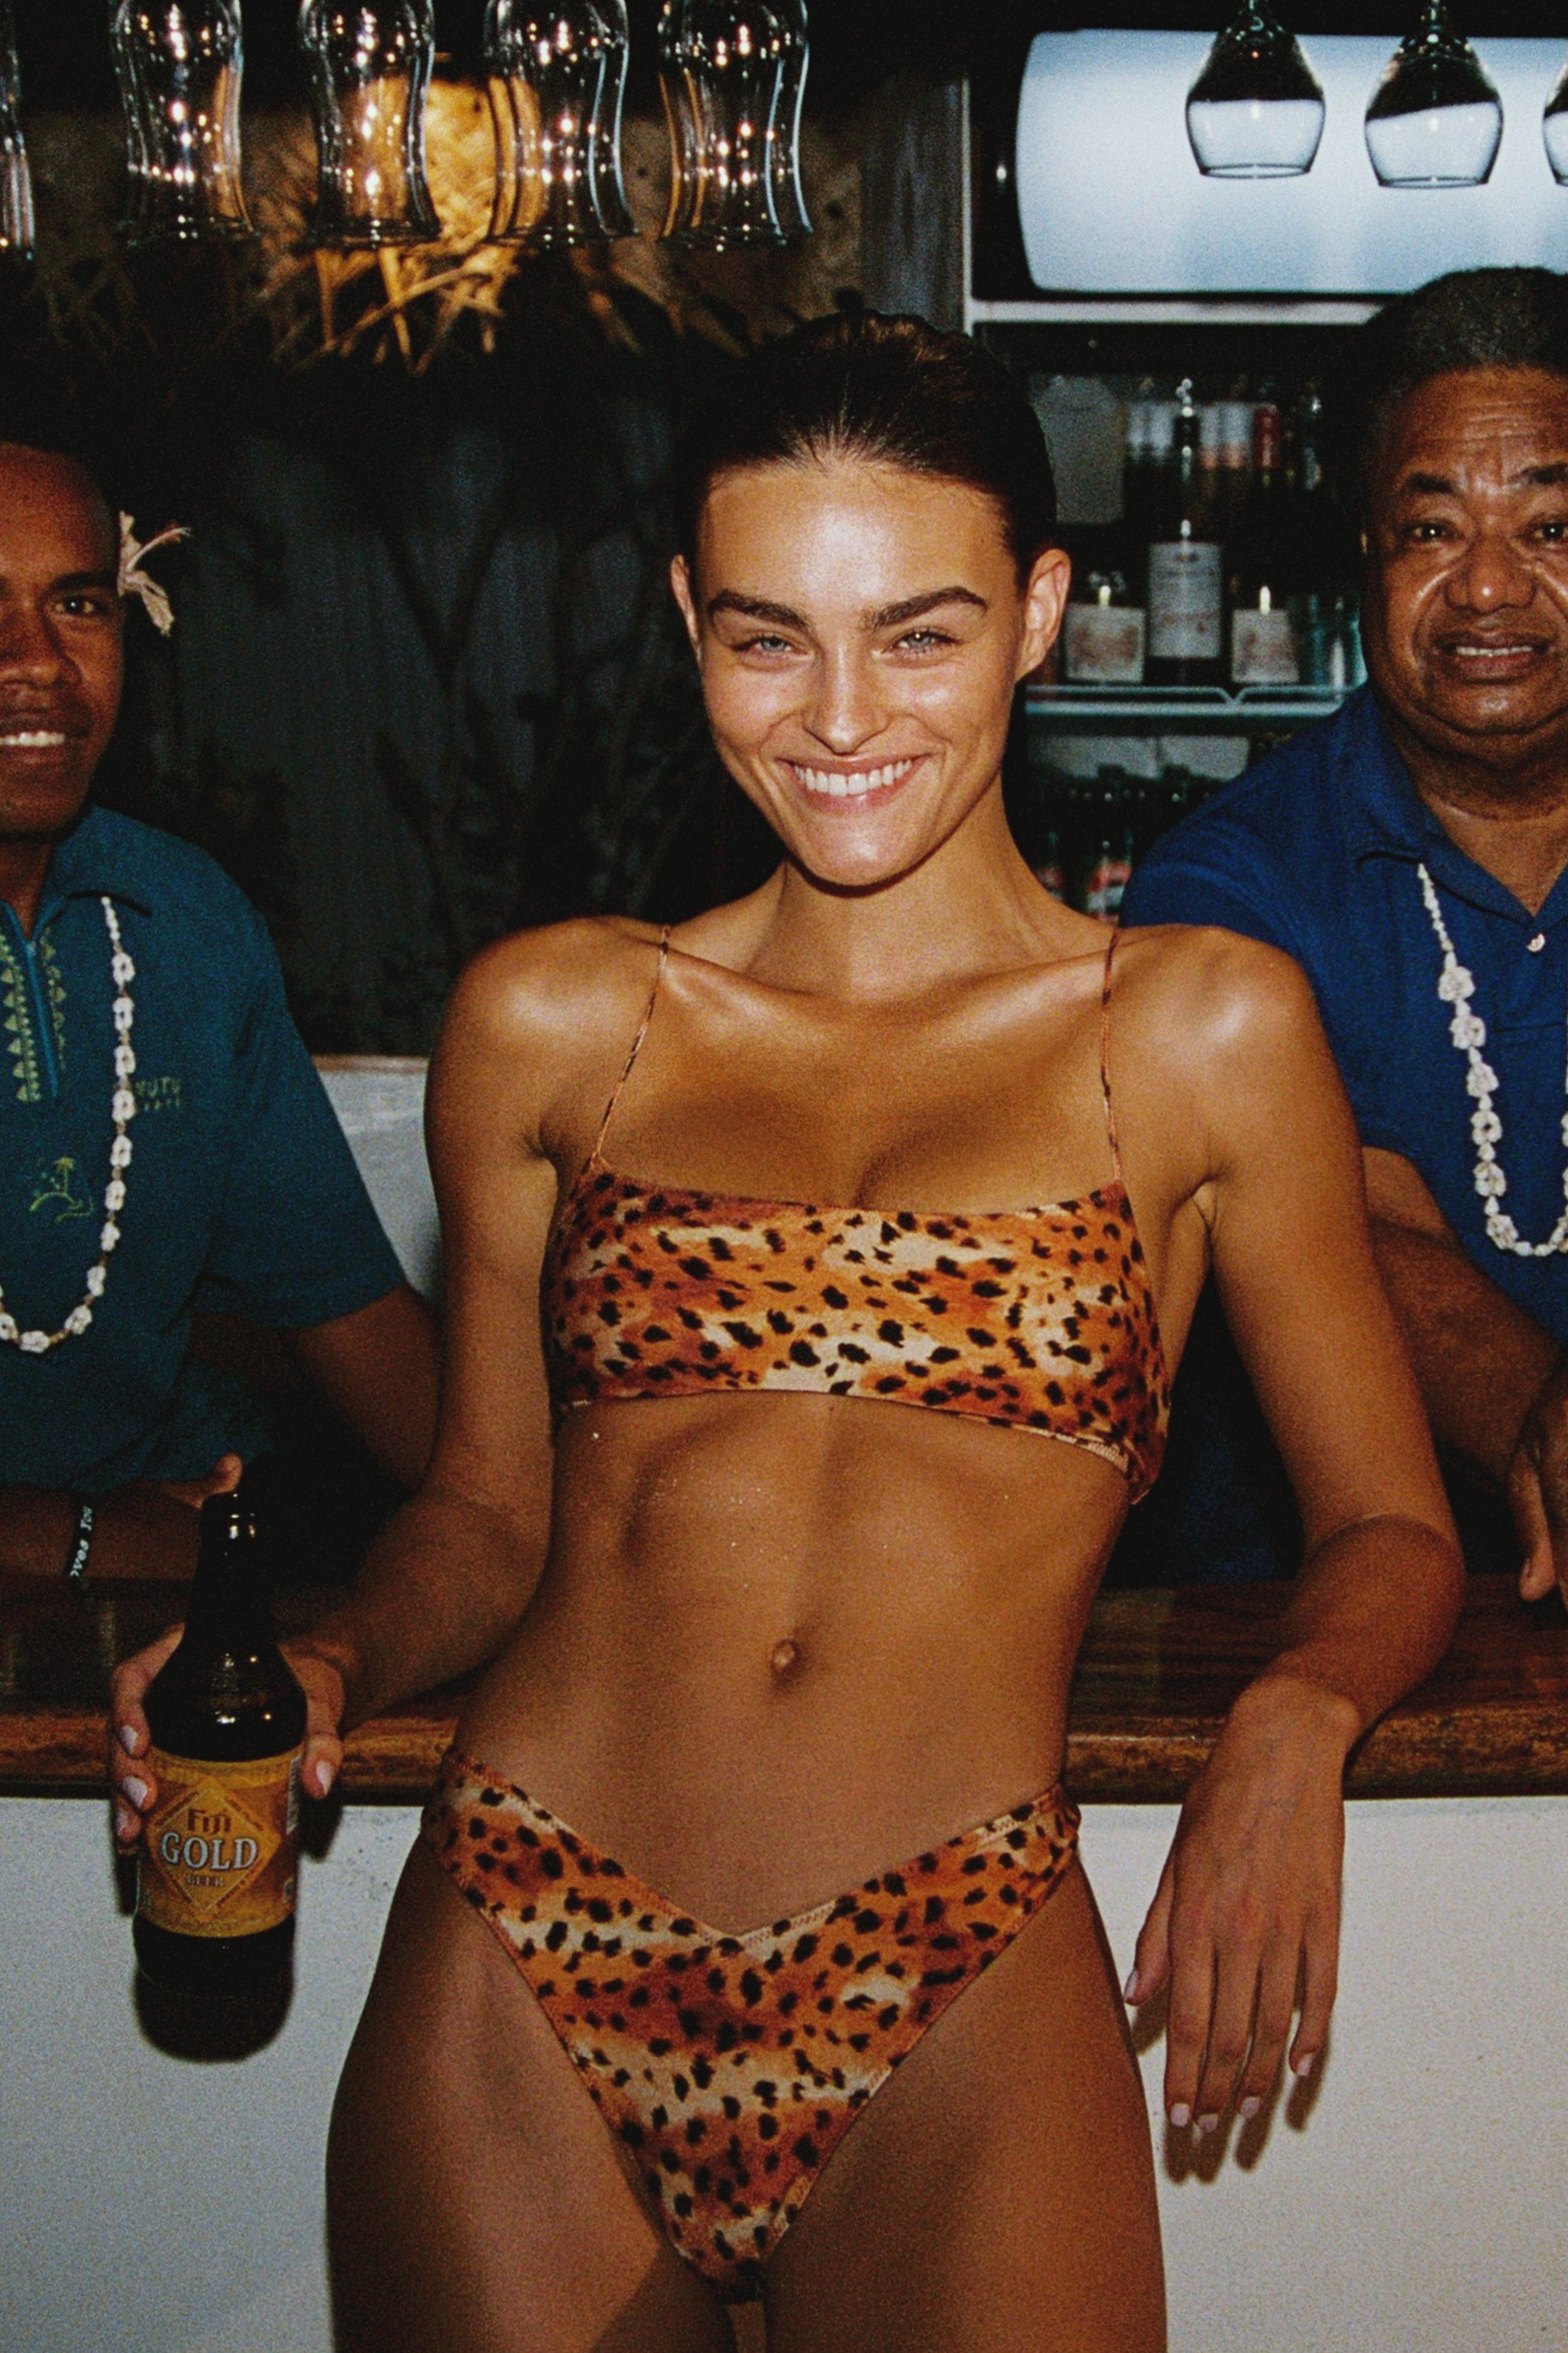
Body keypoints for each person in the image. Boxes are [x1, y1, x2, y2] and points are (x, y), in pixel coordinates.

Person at [112, 314, 1462, 2352]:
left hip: (958, 1956)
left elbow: (1393, 1526)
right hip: (523, 1936)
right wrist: (325, 1657)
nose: (841, 716)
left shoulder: (1194, 1033)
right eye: (768, 638)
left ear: (1041, 611)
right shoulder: (558, 1018)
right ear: (686, 616)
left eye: (916, 634)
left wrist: (1295, 1720)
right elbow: (488, 1514)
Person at [1124, 267, 1568, 1614]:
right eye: (1432, 529)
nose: (1488, 589)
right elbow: (1358, 1237)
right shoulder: (1230, 882)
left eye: (1553, 525)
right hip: (1308, 1630)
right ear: (1364, 558)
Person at [0, 426, 439, 1580]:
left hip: (185, 1586)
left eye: (79, 605)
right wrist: (75, 1537)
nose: (36, 659)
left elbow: (362, 1332)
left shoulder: (183, 922)